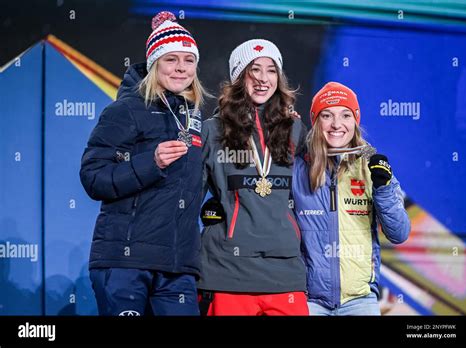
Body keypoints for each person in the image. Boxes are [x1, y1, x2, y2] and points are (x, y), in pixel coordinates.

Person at [79, 11, 207, 316]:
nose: (181, 68)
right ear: (153, 64)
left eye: (188, 60)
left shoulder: (195, 118)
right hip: (126, 264)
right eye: (170, 59)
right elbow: (93, 177)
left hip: (177, 268)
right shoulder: (125, 111)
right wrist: (151, 162)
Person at [198, 39, 309, 316]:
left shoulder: (295, 128)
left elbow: (316, 185)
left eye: (271, 70)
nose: (263, 79)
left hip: (285, 269)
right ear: (239, 77)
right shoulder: (212, 130)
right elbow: (188, 198)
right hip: (228, 269)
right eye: (254, 70)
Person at [292, 82, 411, 315]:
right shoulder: (297, 168)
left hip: (360, 300)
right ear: (316, 121)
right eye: (327, 115)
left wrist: (383, 188)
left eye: (345, 115)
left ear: (355, 121)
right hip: (309, 300)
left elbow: (399, 234)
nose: (337, 124)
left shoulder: (372, 165)